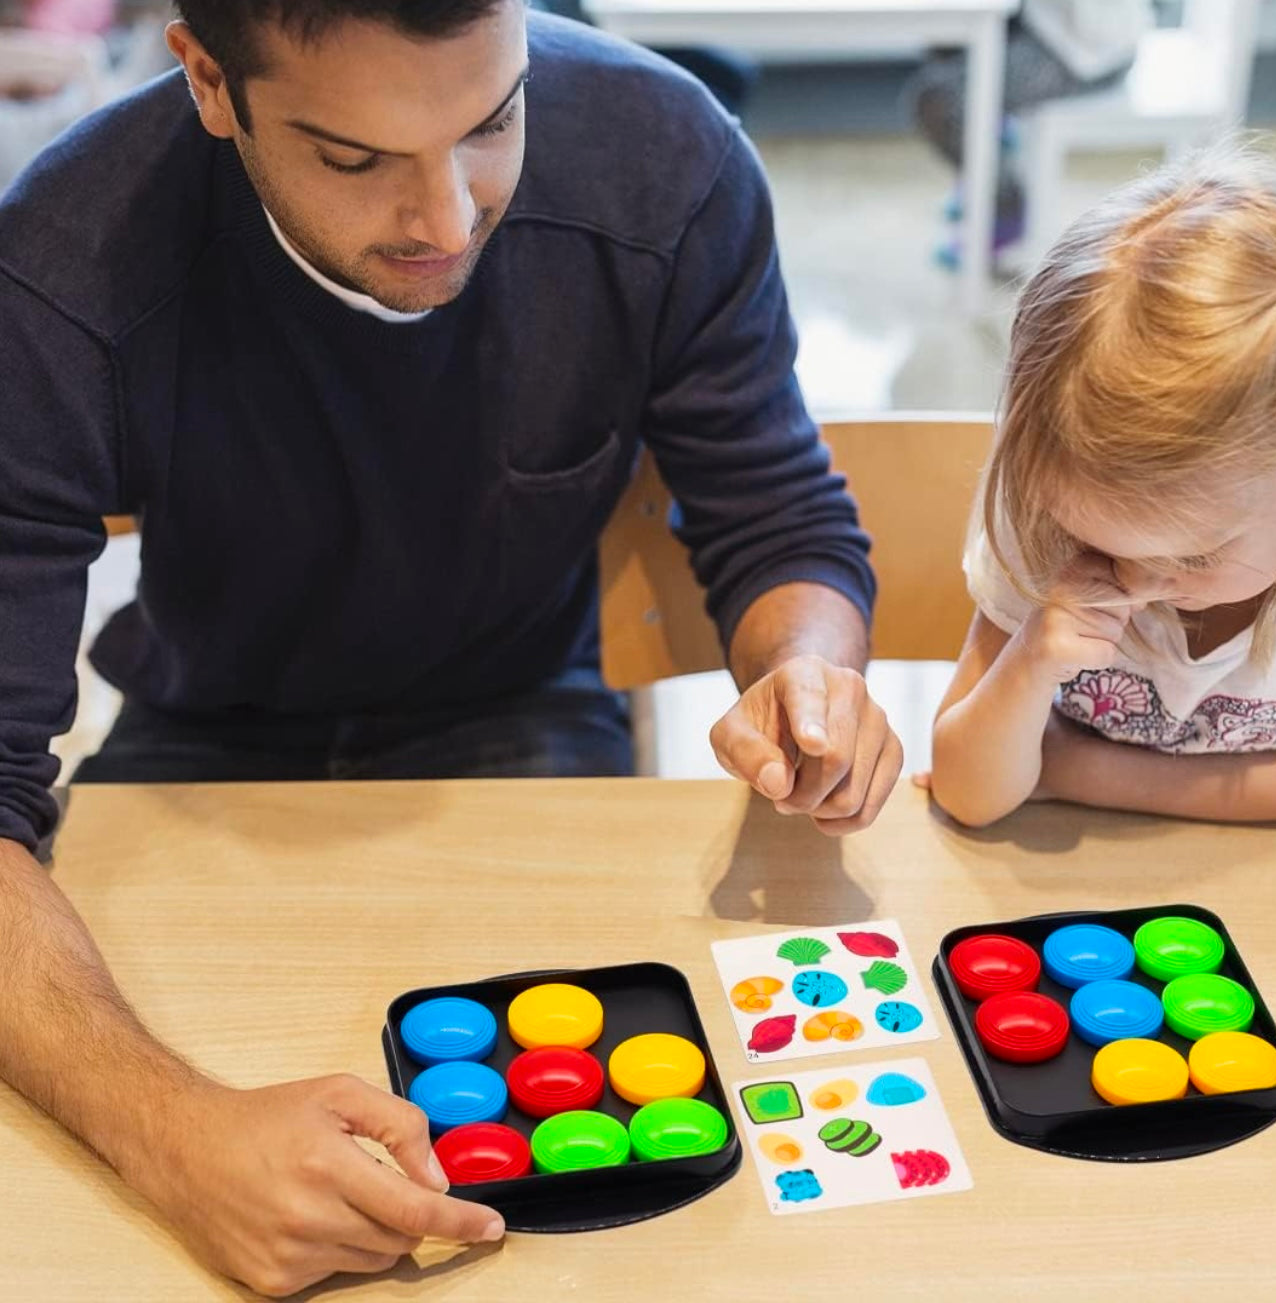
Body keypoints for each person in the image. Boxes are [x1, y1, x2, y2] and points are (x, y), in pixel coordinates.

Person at [0, 0, 904, 1294]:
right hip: (207, 730)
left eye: (492, 123)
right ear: (207, 80)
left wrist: (808, 666)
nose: (449, 219)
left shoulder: (663, 160)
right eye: (353, 159)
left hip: (524, 707)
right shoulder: (60, 266)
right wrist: (176, 1132)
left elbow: (778, 511)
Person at [928, 147, 1276, 829]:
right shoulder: (1043, 521)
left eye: (1194, 556)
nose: (1134, 579)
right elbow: (966, 790)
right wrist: (1028, 663)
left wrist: (1065, 768)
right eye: (1091, 539)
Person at [907, 0, 1152, 268]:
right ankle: (994, 156)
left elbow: (1094, 25)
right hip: (1044, 26)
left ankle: (1005, 206)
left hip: (1087, 51)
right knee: (948, 38)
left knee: (940, 99)